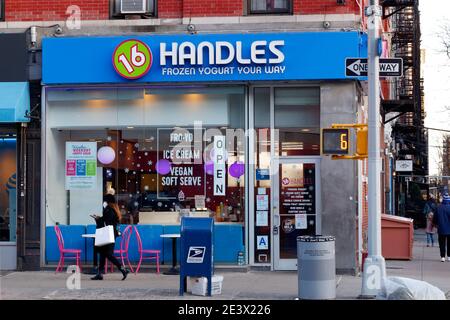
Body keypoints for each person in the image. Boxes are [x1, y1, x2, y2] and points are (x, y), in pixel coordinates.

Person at [91, 194, 130, 280]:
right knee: (103, 253)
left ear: (107, 201)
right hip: (112, 234)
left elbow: (106, 223)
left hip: (107, 234)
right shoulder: (114, 209)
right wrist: (100, 218)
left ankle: (123, 269)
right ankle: (100, 274)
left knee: (108, 254)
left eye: (104, 200)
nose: (103, 202)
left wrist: (97, 219)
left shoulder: (108, 210)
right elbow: (110, 221)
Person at [433, 193, 450, 262]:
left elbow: (435, 218)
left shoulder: (439, 207)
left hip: (441, 228)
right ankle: (449, 256)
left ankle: (442, 257)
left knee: (442, 243)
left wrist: (436, 225)